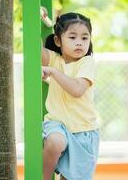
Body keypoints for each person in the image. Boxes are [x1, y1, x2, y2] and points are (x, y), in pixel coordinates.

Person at [41, 10, 99, 180]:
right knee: (56, 141)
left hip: (83, 132)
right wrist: (38, 19)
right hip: (57, 125)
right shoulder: (54, 59)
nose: (79, 43)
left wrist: (52, 72)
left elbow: (76, 90)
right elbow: (34, 48)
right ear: (58, 40)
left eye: (84, 38)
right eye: (72, 37)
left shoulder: (87, 63)